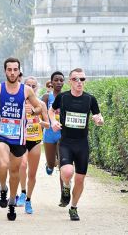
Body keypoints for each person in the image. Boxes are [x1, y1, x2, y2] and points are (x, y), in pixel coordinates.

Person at [0, 57, 42, 221]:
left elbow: (39, 107)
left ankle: (12, 203)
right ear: (5, 71)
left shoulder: (27, 90)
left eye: (15, 69)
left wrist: (33, 111)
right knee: (3, 164)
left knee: (14, 173)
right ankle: (2, 189)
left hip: (19, 137)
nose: (12, 72)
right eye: (9, 69)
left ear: (19, 71)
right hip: (1, 134)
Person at [49, 68, 104, 221]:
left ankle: (73, 207)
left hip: (82, 144)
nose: (79, 82)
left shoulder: (90, 99)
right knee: (67, 172)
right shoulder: (63, 97)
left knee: (80, 179)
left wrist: (99, 120)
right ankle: (66, 186)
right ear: (70, 81)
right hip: (66, 142)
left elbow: (97, 115)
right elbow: (51, 111)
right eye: (75, 79)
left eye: (82, 79)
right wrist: (53, 121)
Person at [16, 76, 49, 214]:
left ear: (37, 88)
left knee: (32, 174)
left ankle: (29, 199)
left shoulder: (41, 104)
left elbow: (48, 123)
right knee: (22, 165)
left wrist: (40, 123)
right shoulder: (19, 102)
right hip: (22, 140)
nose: (31, 87)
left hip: (35, 140)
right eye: (28, 85)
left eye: (33, 85)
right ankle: (23, 192)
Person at [42, 72, 64, 175]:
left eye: (61, 80)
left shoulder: (67, 96)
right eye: (56, 80)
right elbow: (41, 112)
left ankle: (64, 187)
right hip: (49, 133)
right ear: (51, 82)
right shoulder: (47, 97)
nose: (59, 82)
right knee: (51, 165)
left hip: (62, 133)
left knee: (63, 164)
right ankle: (49, 164)